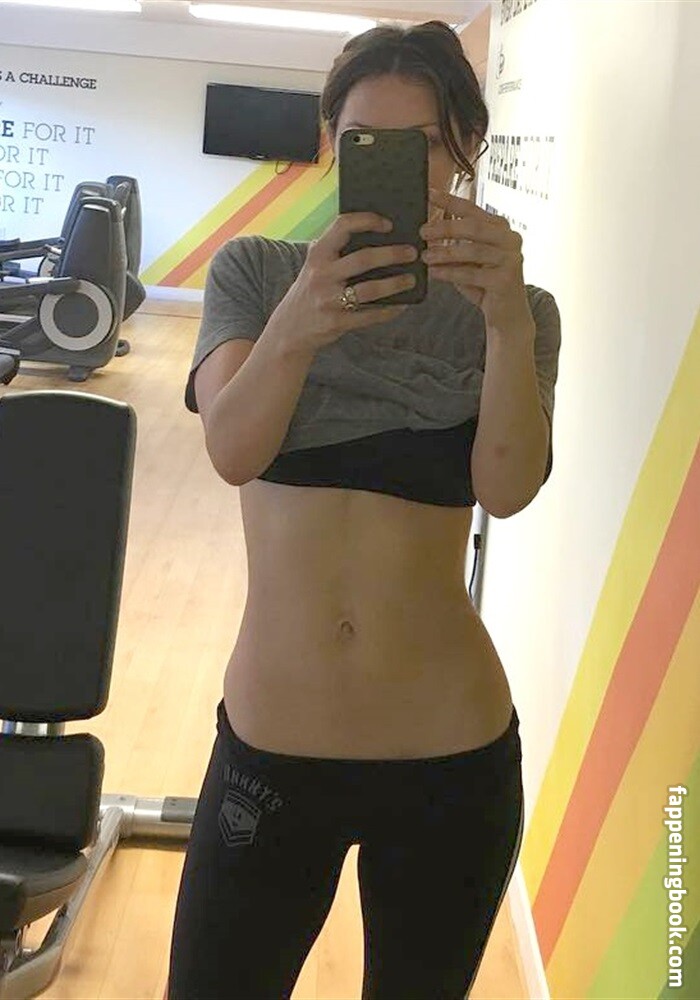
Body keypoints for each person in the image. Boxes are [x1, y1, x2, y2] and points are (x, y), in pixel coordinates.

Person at [167, 19, 561, 1000]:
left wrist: (507, 325)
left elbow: (507, 489)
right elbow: (232, 448)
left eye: (419, 144)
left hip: (450, 757)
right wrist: (300, 321)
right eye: (362, 142)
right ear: (332, 144)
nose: (391, 166)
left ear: (465, 147)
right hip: (272, 750)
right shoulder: (258, 273)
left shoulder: (516, 312)